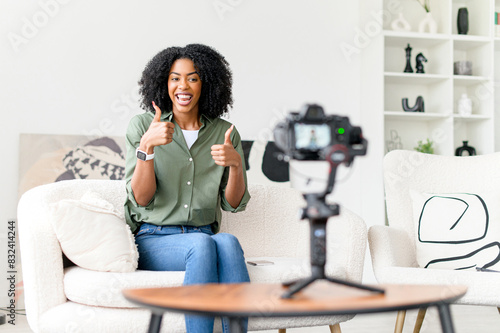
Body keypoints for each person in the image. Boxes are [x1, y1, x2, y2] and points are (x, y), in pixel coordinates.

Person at [124, 44, 251, 333]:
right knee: (202, 244)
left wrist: (235, 166)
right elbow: (141, 199)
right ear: (163, 83)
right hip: (154, 238)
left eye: (193, 78)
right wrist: (147, 148)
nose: (184, 85)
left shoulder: (224, 132)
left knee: (228, 242)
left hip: (202, 234)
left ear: (206, 83)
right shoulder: (145, 126)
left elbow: (233, 203)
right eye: (175, 78)